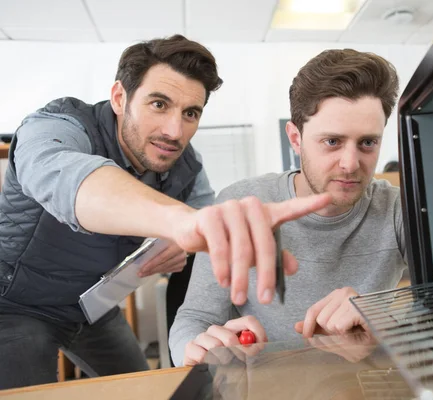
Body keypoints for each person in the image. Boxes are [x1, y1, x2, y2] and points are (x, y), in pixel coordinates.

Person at [0, 34, 331, 390]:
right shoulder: (56, 125)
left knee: (149, 389)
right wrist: (179, 222)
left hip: (92, 308)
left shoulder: (186, 166)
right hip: (17, 307)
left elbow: (203, 220)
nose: (175, 131)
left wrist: (182, 244)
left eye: (190, 113)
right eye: (159, 104)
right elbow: (67, 177)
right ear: (119, 98)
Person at [170, 48, 406, 367]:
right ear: (295, 138)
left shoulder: (398, 210)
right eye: (332, 142)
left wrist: (382, 318)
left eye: (367, 143)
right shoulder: (238, 203)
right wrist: (197, 348)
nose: (351, 164)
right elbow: (193, 320)